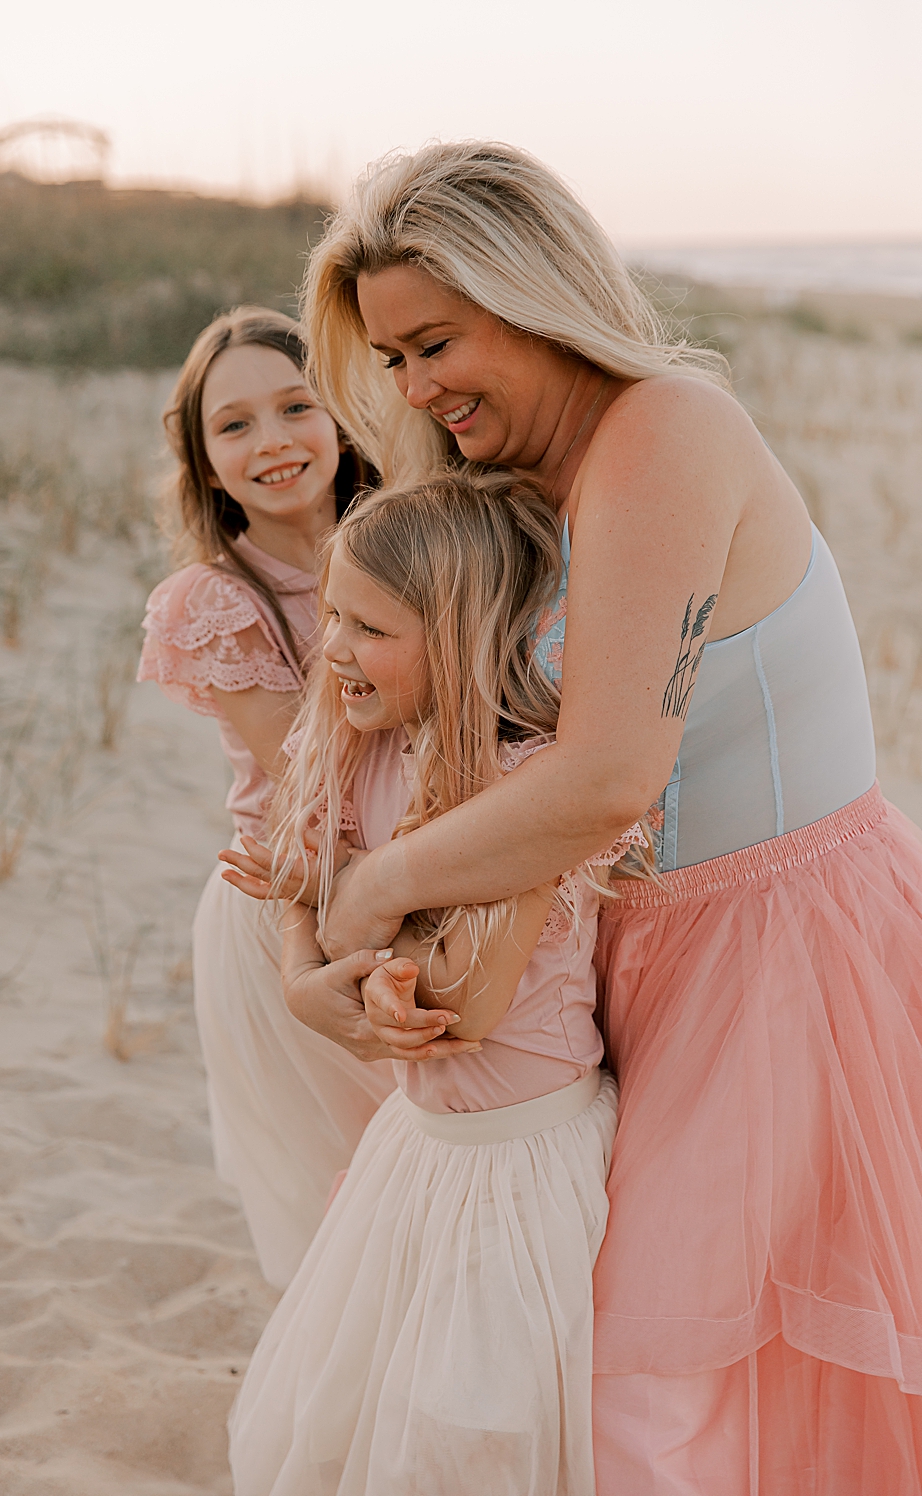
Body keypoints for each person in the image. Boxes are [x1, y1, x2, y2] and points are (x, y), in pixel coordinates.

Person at [226, 141, 922, 1491]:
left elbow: (607, 776)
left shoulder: (667, 430)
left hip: (777, 957)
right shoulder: (503, 493)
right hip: (616, 953)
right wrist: (329, 967)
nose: (418, 388)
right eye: (393, 362)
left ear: (530, 290)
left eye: (437, 343)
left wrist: (377, 896)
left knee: (652, 1368)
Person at [230, 470, 644, 1494]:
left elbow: (463, 999)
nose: (331, 647)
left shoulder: (521, 790)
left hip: (515, 1156)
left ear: (454, 636)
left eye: (368, 627)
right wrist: (306, 957)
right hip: (419, 1143)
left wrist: (345, 939)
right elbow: (291, 881)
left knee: (474, 1421)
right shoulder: (363, 747)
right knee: (374, 1386)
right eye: (328, 613)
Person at [137, 307, 421, 1287]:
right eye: (234, 425)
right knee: (349, 1200)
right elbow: (316, 777)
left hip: (440, 870)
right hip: (293, 905)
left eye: (294, 407)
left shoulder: (419, 533)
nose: (271, 442)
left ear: (338, 413)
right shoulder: (213, 599)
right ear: (203, 457)